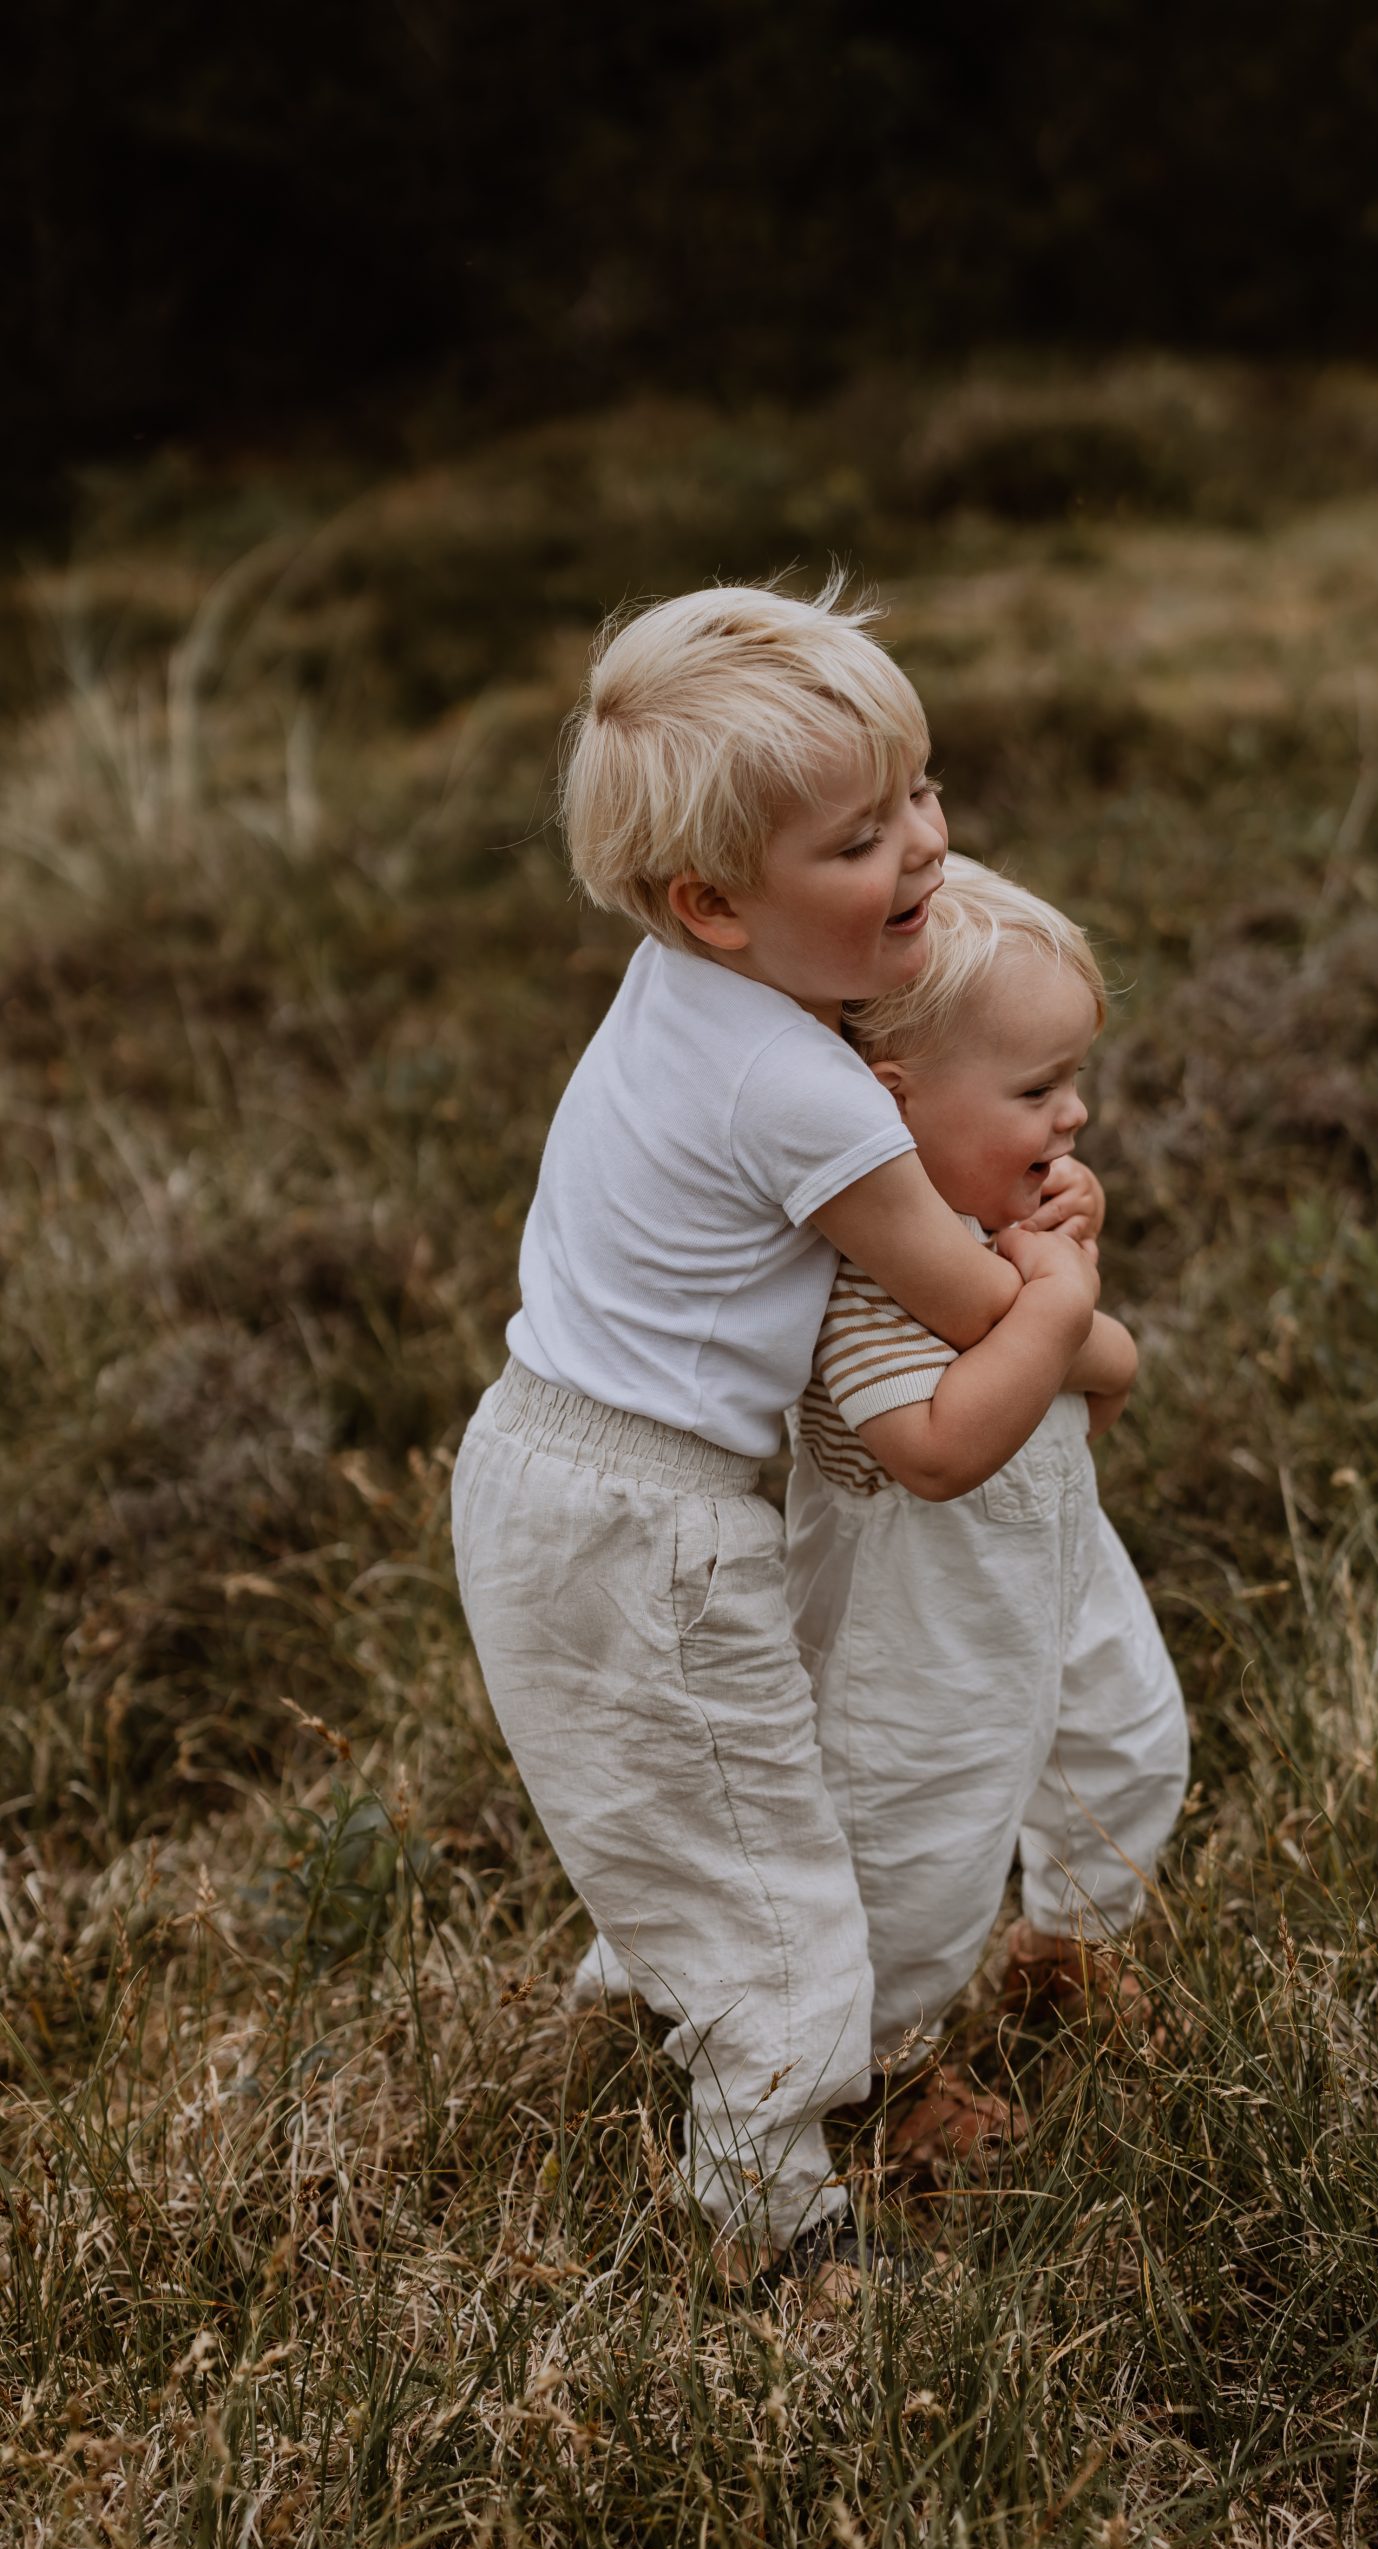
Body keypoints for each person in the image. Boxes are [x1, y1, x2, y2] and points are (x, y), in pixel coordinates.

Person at [451, 583, 1102, 2287]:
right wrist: (1072, 1302)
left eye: (921, 795)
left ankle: (650, 2009)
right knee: (768, 1867)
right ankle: (774, 2219)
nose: (927, 852)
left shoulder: (690, 989)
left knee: (688, 1798)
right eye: (860, 838)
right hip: (648, 1518)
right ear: (714, 904)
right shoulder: (803, 1089)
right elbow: (964, 1309)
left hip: (544, 1457)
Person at [784, 856, 1190, 2156]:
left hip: (1058, 1562)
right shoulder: (861, 1279)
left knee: (1127, 1741)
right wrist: (1061, 1304)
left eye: (1075, 1080)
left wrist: (1066, 1266)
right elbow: (939, 1449)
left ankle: (1063, 1946)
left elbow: (1087, 1403)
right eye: (1035, 1091)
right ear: (889, 1112)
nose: (1073, 1118)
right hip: (923, 1622)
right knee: (922, 1832)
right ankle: (878, 2072)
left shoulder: (992, 1232)